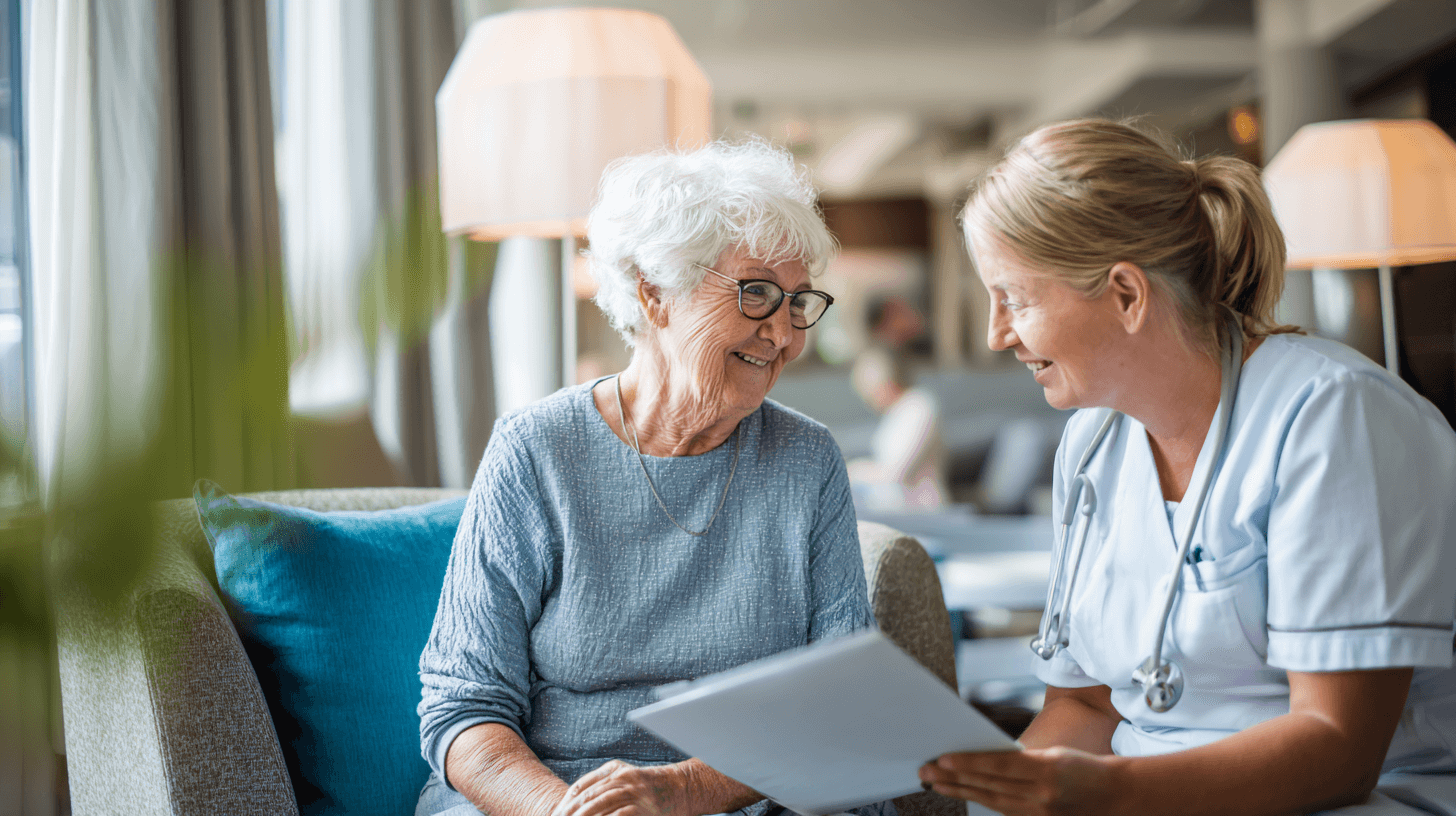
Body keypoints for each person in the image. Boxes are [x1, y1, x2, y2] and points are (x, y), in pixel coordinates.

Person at [919, 118, 1456, 815]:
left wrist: (1115, 794)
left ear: (1127, 294)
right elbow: (1083, 707)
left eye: (1014, 298)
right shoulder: (1090, 445)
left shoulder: (1335, 416)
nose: (997, 334)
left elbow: (1339, 749)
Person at [416, 140, 894, 816]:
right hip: (559, 794)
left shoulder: (806, 459)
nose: (783, 333)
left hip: (746, 795)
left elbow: (840, 700)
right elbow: (464, 707)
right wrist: (565, 812)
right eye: (757, 293)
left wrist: (688, 791)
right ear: (654, 291)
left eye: (798, 303)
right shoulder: (536, 450)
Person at [847, 344, 947, 510]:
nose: (870, 401)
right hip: (896, 509)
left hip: (923, 513)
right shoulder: (894, 413)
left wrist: (854, 470)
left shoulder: (919, 406)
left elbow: (897, 473)